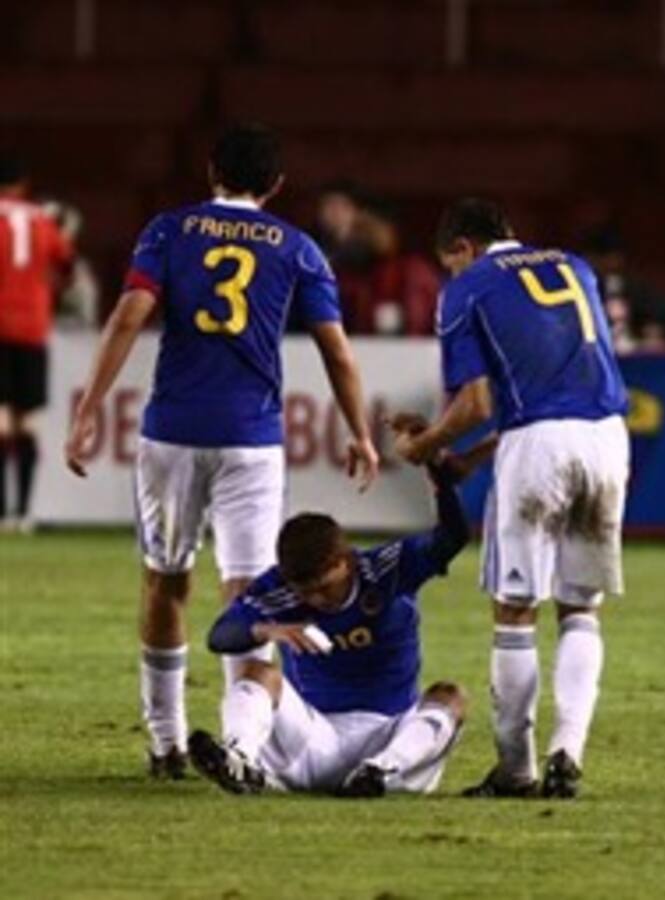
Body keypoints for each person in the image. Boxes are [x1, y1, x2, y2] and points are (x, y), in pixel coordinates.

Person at [63, 124, 380, 780]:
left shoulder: (168, 230)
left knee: (165, 578)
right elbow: (336, 349)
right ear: (277, 185)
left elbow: (128, 317)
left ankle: (166, 743)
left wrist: (89, 407)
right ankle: (248, 750)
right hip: (250, 438)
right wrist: (360, 432)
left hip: (173, 431)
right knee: (252, 593)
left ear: (212, 172)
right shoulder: (298, 247)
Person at [395, 197, 629, 799]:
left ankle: (516, 769)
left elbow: (474, 405)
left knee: (515, 609)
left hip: (538, 450)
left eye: (451, 264)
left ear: (464, 249)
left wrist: (427, 446)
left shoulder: (468, 288)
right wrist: (471, 459)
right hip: (606, 439)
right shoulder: (575, 267)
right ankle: (567, 750)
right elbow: (556, 393)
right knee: (580, 609)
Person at [188, 457, 469, 797]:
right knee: (257, 670)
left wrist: (441, 478)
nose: (317, 600)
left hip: (390, 737)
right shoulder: (277, 590)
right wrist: (267, 631)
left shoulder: (387, 569)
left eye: (324, 587)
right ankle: (239, 760)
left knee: (450, 696)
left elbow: (452, 538)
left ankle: (379, 772)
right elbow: (219, 637)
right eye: (304, 592)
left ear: (345, 561)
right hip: (313, 740)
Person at [0, 156, 75, 532]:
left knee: (0, 419)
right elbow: (66, 263)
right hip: (32, 327)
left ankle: (0, 513)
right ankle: (23, 513)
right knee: (27, 420)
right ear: (23, 183)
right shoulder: (42, 220)